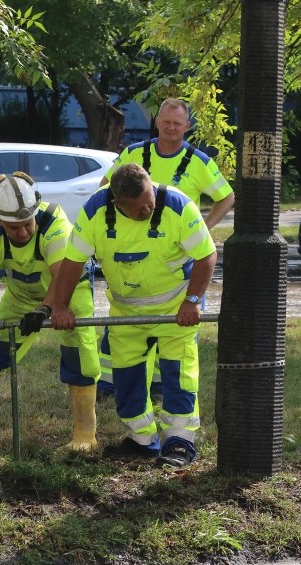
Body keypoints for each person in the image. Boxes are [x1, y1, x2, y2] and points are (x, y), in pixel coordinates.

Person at [44, 163, 217, 468]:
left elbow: (207, 255)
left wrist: (192, 300)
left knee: (178, 373)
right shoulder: (95, 212)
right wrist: (59, 306)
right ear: (117, 202)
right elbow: (72, 263)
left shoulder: (177, 205)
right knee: (126, 377)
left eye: (150, 201)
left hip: (175, 309)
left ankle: (179, 443)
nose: (148, 209)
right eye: (139, 208)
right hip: (126, 310)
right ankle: (142, 439)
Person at [0, 172, 101, 450]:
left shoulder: (55, 222)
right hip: (20, 296)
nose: (22, 232)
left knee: (79, 359)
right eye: (13, 228)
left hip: (68, 294)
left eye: (26, 224)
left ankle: (85, 435)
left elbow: (62, 276)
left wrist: (47, 308)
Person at [97, 98, 234, 400]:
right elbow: (105, 188)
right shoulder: (133, 154)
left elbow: (226, 197)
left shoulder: (198, 161)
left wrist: (203, 230)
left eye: (178, 123)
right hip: (131, 252)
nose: (171, 128)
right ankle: (107, 384)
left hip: (177, 258)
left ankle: (160, 387)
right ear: (157, 122)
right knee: (124, 315)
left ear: (187, 127)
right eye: (166, 121)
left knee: (175, 324)